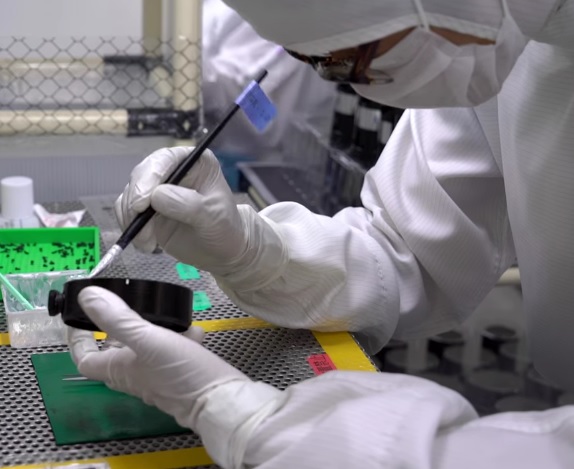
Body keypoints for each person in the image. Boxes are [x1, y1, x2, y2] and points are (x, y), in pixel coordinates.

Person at [69, 1, 574, 467]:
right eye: (310, 60)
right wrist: (256, 253)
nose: (350, 85)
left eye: (346, 59)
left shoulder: (471, 30)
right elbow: (407, 253)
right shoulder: (493, 37)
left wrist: (265, 427)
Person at [202, 0, 337, 162]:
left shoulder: (289, 18)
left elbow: (254, 107)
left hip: (252, 157)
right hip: (221, 146)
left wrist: (187, 70)